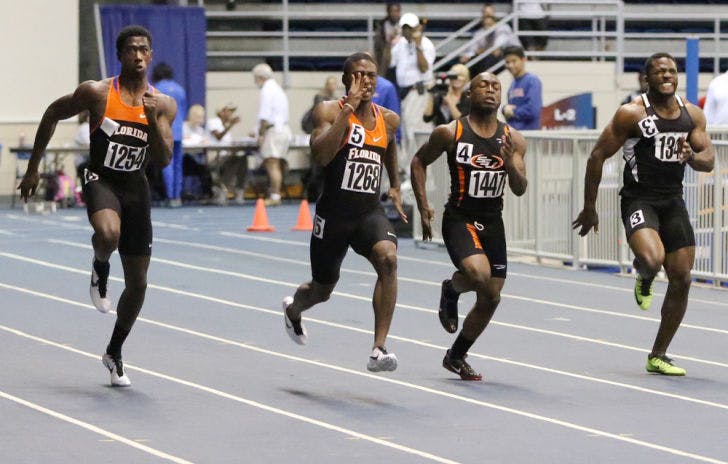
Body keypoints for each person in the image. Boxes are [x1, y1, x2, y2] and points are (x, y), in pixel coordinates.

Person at [17, 25, 176, 387]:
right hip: (101, 178)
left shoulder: (163, 104)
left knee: (138, 284)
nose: (138, 56)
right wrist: (33, 168)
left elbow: (164, 159)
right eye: (132, 50)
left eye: (144, 50)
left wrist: (151, 120)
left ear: (150, 56)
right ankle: (100, 263)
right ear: (120, 55)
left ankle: (114, 352)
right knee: (108, 233)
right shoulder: (97, 92)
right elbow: (53, 113)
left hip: (136, 187)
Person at [572, 53, 715, 376]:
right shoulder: (631, 114)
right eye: (659, 72)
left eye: (672, 71)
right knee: (652, 259)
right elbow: (597, 156)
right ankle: (644, 276)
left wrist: (691, 156)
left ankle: (658, 354)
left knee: (682, 278)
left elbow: (709, 160)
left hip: (673, 202)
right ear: (646, 80)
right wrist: (590, 207)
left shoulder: (691, 114)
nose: (667, 76)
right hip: (639, 200)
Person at [282, 52, 407, 372]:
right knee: (321, 290)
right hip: (333, 215)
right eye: (359, 74)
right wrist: (348, 109)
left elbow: (388, 144)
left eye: (371, 75)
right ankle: (294, 310)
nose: (366, 80)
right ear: (346, 79)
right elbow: (322, 155)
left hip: (368, 213)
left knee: (388, 259)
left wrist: (394, 183)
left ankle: (378, 349)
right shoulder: (326, 111)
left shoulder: (388, 119)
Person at [410, 71, 527, 381]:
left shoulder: (513, 139)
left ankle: (456, 355)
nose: (490, 90)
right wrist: (423, 205)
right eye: (483, 86)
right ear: (469, 95)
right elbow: (418, 162)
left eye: (495, 87)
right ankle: (454, 287)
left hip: (492, 221)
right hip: (460, 218)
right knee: (478, 274)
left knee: (491, 296)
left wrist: (510, 163)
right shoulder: (450, 132)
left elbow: (520, 187)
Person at [386, 12, 436, 166]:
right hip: (405, 94)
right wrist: (389, 42)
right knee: (408, 134)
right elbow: (390, 64)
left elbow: (424, 68)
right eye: (404, 28)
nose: (407, 31)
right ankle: (411, 172)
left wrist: (418, 45)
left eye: (410, 28)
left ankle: (423, 172)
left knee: (418, 133)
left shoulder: (426, 44)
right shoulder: (399, 44)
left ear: (417, 28)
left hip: (420, 92)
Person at [252, 63, 292, 207]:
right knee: (278, 164)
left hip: (274, 130)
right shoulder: (278, 89)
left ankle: (275, 195)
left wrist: (260, 134)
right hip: (283, 129)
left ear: (260, 77)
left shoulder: (267, 90)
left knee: (272, 164)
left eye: (255, 79)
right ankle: (276, 192)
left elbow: (264, 116)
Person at [151, 62, 188, 207]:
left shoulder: (157, 89)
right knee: (178, 164)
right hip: (179, 130)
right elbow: (183, 112)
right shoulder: (180, 89)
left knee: (167, 163)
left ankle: (169, 195)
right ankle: (177, 195)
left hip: (164, 130)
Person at [459, 4, 521, 75]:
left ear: (494, 16)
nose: (488, 16)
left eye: (490, 14)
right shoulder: (479, 32)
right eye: (485, 14)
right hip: (493, 60)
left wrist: (481, 51)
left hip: (513, 56)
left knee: (488, 58)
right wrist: (467, 56)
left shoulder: (503, 28)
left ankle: (484, 79)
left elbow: (495, 51)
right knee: (467, 61)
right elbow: (472, 50)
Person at [208, 103, 244, 205]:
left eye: (232, 112)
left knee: (242, 158)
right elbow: (218, 137)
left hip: (226, 155)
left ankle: (239, 189)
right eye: (229, 111)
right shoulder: (213, 122)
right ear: (222, 112)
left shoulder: (226, 126)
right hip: (215, 156)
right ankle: (223, 186)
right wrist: (230, 125)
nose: (231, 114)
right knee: (235, 159)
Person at [502, 46, 542, 130]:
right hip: (514, 136)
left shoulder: (532, 81)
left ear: (523, 60)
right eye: (507, 62)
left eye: (514, 61)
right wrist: (504, 109)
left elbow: (533, 110)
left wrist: (513, 112)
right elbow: (508, 110)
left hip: (529, 136)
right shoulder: (512, 85)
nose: (510, 65)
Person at [373, 2, 401, 82]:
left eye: (396, 11)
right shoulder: (382, 26)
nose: (394, 14)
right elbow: (378, 47)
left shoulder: (403, 25)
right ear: (388, 12)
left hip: (400, 61)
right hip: (385, 61)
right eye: (392, 11)